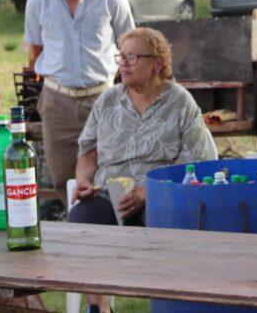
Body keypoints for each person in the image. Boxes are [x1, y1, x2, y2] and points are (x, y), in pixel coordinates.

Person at [70, 27, 218, 313]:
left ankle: (166, 305)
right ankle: (99, 308)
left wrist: (147, 191)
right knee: (82, 221)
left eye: (133, 57)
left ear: (157, 64)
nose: (123, 64)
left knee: (166, 228)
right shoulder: (107, 101)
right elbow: (87, 151)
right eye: (121, 57)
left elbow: (195, 162)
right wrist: (84, 180)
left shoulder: (179, 102)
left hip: (160, 196)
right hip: (108, 194)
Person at [24, 0, 135, 191]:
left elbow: (130, 47)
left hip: (102, 99)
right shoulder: (36, 1)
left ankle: (108, 217)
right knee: (63, 179)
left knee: (110, 174)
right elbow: (36, 52)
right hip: (56, 102)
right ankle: (72, 216)